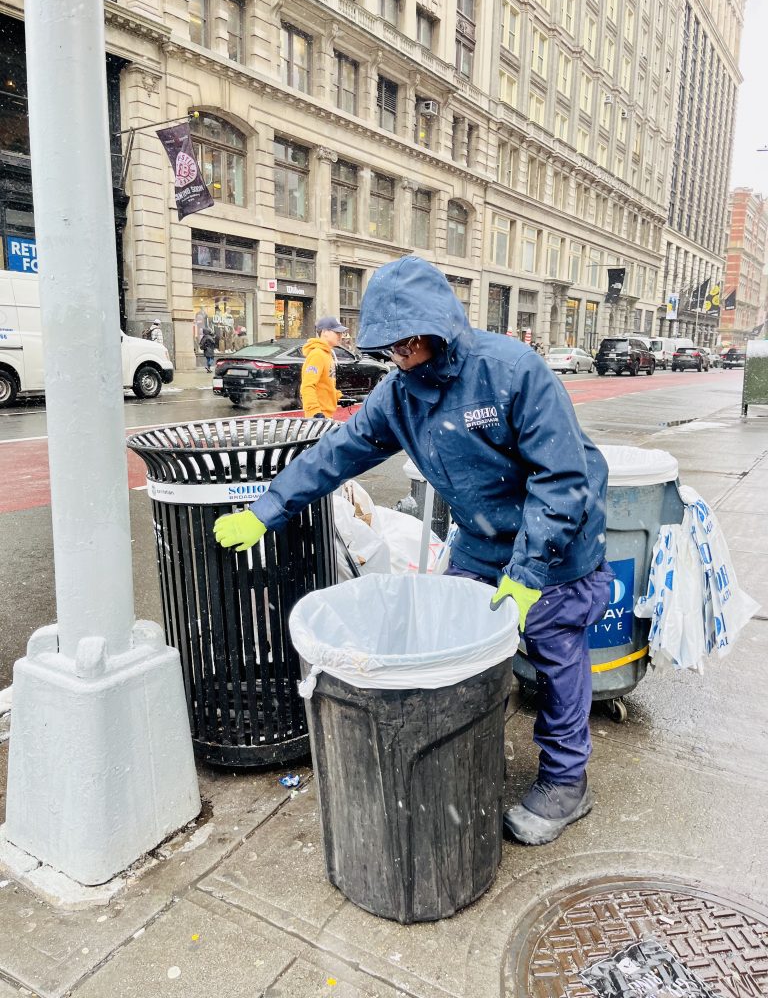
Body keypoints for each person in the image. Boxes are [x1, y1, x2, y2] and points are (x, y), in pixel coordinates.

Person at [214, 257, 613, 846]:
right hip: (481, 542)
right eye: (391, 349)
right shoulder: (398, 396)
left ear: (436, 329)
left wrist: (530, 571)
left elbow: (560, 480)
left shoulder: (512, 371)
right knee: (458, 642)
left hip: (554, 546)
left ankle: (564, 781)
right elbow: (337, 453)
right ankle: (465, 747)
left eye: (407, 345)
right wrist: (266, 509)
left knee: (556, 657)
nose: (399, 357)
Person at [299, 316, 346, 419]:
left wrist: (339, 397)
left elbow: (326, 384)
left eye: (341, 333)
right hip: (319, 417)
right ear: (325, 332)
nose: (340, 336)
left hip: (325, 415)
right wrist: (315, 412)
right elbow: (307, 386)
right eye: (337, 332)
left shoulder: (326, 354)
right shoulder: (317, 355)